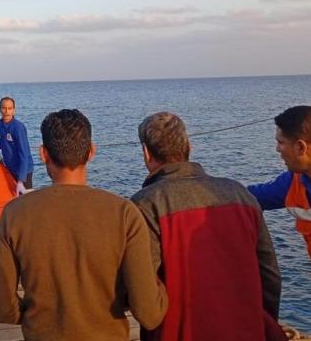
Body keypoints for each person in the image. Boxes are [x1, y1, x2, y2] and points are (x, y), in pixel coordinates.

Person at [0, 109, 167, 341]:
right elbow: (150, 314)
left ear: (44, 154)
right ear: (91, 151)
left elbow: (3, 308)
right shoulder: (124, 214)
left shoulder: (15, 214)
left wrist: (33, 316)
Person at [131, 112, 284, 341]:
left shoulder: (145, 205)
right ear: (188, 146)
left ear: (146, 152)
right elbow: (270, 275)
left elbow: (146, 294)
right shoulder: (240, 194)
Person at [248, 105, 311, 258]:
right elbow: (246, 196)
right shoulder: (292, 183)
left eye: (281, 142)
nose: (277, 149)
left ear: (300, 147)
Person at [0, 97, 34, 195]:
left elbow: (24, 154)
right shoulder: (0, 123)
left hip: (23, 170)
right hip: (10, 168)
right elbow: (3, 139)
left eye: (10, 108)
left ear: (14, 110)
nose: (7, 111)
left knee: (26, 202)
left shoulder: (18, 127)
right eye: (4, 108)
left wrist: (21, 180)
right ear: (0, 109)